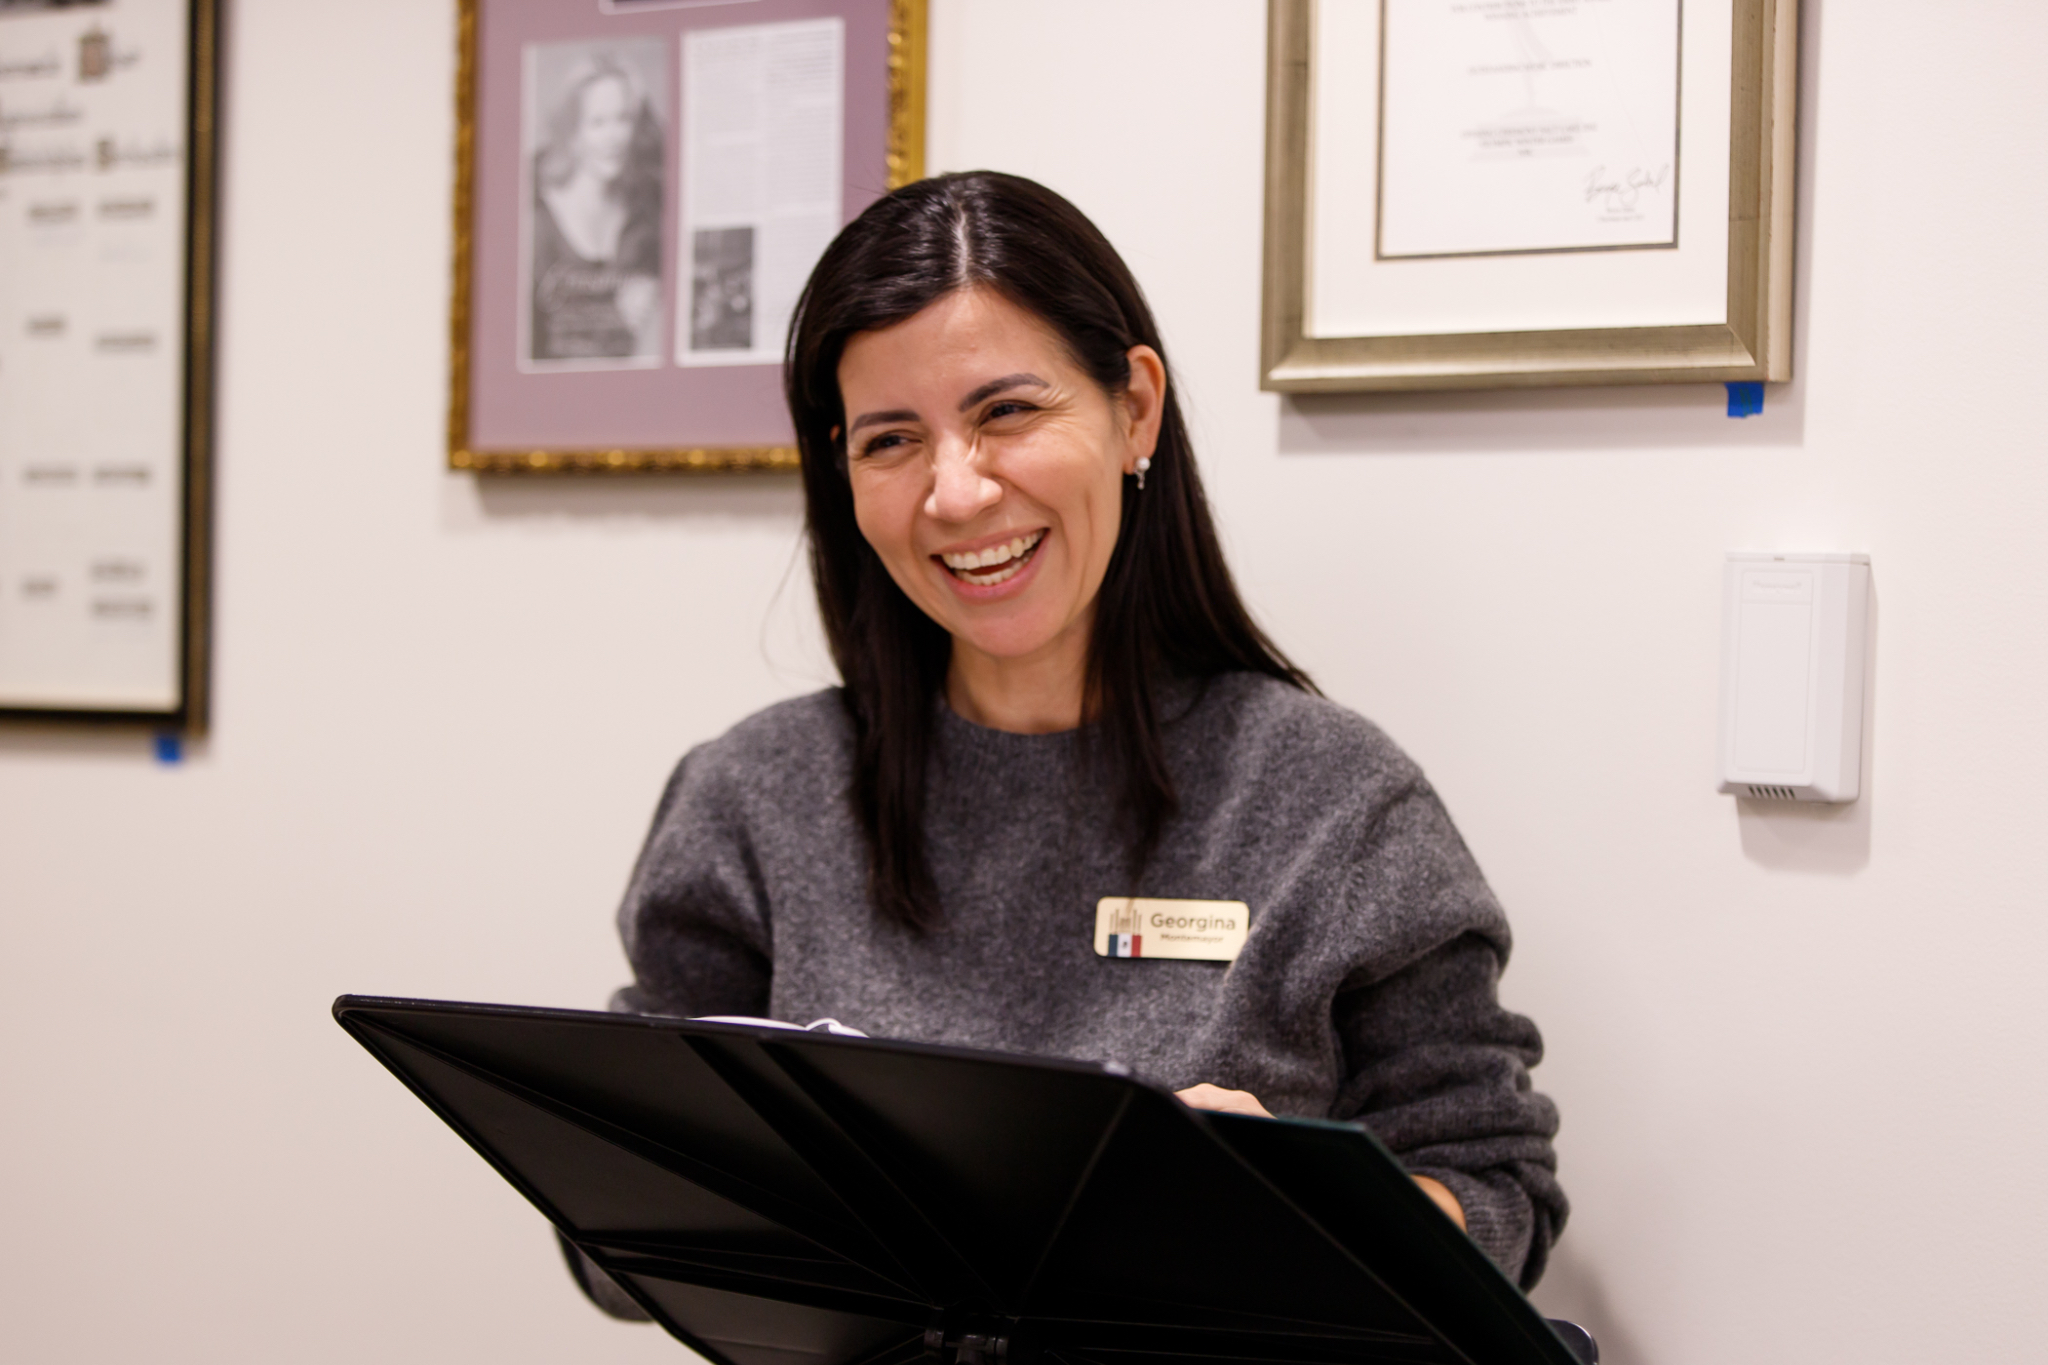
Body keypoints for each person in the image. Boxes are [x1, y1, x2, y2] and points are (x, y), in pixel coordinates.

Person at [571, 171, 1565, 1316]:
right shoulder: (753, 798)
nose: (955, 493)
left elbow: (1497, 1199)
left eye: (1004, 412)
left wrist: (1290, 1208)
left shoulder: (1332, 801)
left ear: (1132, 407)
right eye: (892, 439)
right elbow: (614, 1239)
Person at [528, 54, 663, 362]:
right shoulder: (535, 216)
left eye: (623, 119)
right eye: (598, 123)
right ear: (572, 131)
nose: (613, 137)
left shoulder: (647, 215)